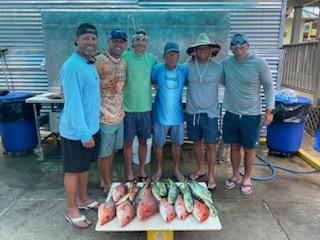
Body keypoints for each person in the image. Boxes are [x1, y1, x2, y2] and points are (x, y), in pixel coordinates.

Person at [222, 32, 275, 195]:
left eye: (241, 43)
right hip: (231, 113)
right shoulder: (226, 63)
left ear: (248, 45)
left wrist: (269, 111)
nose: (238, 46)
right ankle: (236, 175)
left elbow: (269, 87)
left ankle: (247, 178)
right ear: (230, 47)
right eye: (234, 43)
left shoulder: (259, 63)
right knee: (234, 147)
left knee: (250, 149)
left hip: (251, 115)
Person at [60, 23, 100, 228]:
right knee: (73, 170)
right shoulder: (72, 66)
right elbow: (74, 104)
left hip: (91, 127)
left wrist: (92, 129)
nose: (90, 42)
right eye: (86, 38)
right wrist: (84, 134)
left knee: (84, 167)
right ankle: (72, 209)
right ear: (77, 40)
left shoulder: (88, 63)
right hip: (77, 132)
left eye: (93, 39)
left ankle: (84, 199)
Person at [185, 33, 223, 191]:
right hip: (193, 111)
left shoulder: (218, 67)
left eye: (205, 48)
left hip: (211, 113)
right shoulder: (187, 66)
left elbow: (232, 82)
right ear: (194, 50)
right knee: (196, 142)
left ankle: (211, 174)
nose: (202, 50)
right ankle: (200, 169)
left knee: (211, 144)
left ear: (210, 50)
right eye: (199, 48)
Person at [122, 29, 159, 182]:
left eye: (143, 40)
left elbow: (160, 72)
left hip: (145, 108)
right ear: (132, 42)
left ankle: (142, 169)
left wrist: (157, 82)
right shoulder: (125, 56)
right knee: (128, 142)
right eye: (137, 39)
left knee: (144, 141)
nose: (140, 43)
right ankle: (130, 171)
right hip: (128, 109)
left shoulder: (152, 59)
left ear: (146, 43)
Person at [95, 30, 127, 194]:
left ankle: (104, 178)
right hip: (104, 116)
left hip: (119, 116)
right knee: (105, 153)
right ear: (109, 42)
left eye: (121, 41)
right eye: (115, 40)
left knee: (113, 150)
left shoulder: (123, 62)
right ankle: (107, 183)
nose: (118, 44)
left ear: (125, 45)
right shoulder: (99, 61)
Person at [151, 42, 187, 182]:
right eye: (169, 53)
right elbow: (151, 81)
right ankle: (159, 169)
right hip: (160, 115)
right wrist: (155, 85)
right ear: (164, 56)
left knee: (177, 144)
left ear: (179, 56)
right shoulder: (156, 69)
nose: (172, 56)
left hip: (177, 116)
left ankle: (176, 169)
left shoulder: (184, 70)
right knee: (158, 144)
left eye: (175, 53)